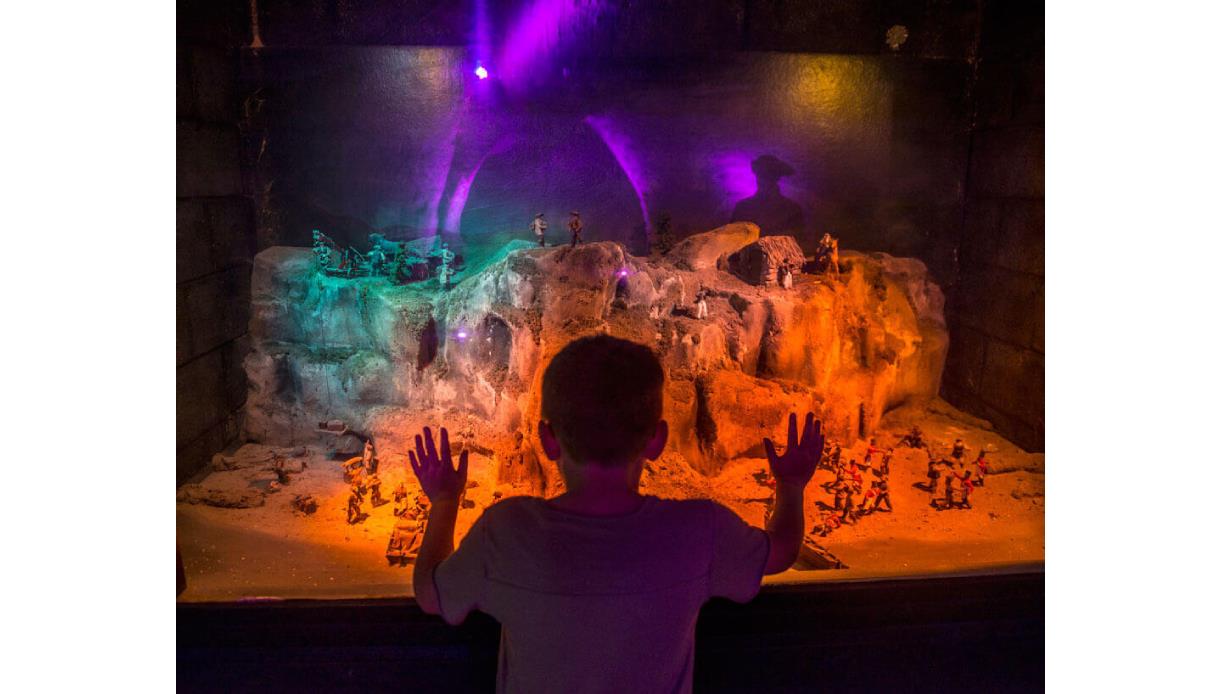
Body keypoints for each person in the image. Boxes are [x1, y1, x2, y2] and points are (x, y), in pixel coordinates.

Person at [407, 335, 825, 693]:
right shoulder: (699, 529)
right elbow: (783, 550)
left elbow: (431, 594)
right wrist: (791, 485)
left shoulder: (506, 531)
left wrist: (444, 502)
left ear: (548, 441)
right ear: (657, 440)